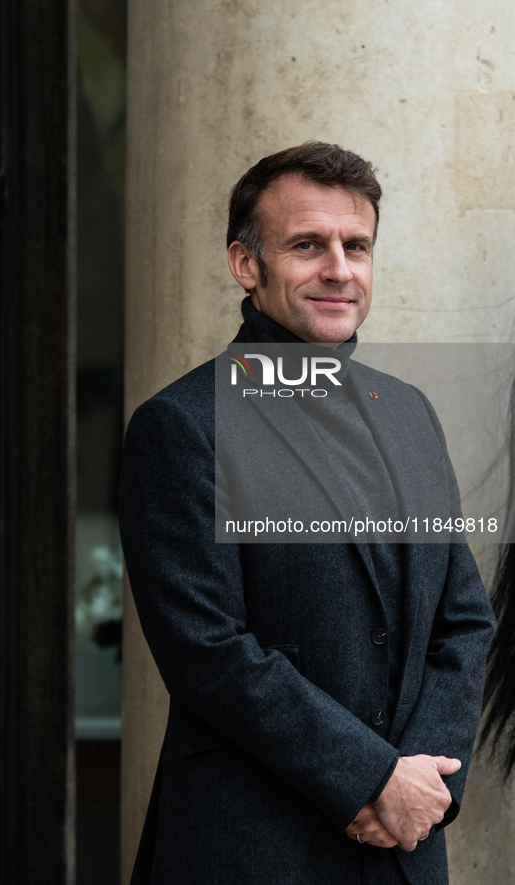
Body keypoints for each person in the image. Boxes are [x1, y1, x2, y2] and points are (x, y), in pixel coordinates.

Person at [119, 142, 496, 885]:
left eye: (355, 246)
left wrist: (422, 787)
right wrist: (369, 778)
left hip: (402, 852)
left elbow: (464, 620)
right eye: (305, 245)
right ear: (245, 265)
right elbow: (208, 649)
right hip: (252, 849)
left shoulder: (409, 414)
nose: (337, 269)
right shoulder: (182, 425)